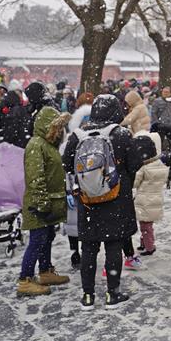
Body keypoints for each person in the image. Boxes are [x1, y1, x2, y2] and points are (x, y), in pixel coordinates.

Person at [62, 94, 144, 310]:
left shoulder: (77, 135)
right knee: (113, 246)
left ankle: (88, 296)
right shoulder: (122, 134)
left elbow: (67, 165)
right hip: (116, 199)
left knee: (89, 248)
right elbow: (135, 164)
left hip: (88, 201)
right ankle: (112, 294)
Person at [16, 107, 72, 296]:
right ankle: (25, 280)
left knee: (47, 237)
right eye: (56, 127)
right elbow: (35, 178)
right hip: (38, 205)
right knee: (37, 240)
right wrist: (42, 204)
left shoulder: (47, 145)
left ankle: (45, 271)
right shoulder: (36, 145)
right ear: (47, 126)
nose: (59, 132)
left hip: (47, 203)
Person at [133, 132, 169, 256]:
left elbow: (135, 183)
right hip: (156, 199)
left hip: (145, 201)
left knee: (145, 226)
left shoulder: (143, 168)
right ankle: (145, 243)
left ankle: (149, 247)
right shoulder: (160, 165)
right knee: (148, 225)